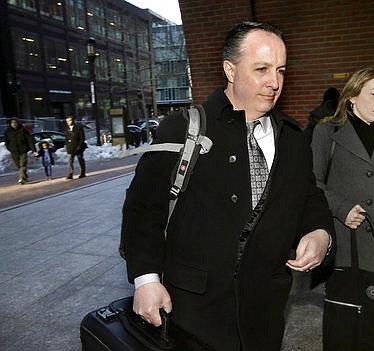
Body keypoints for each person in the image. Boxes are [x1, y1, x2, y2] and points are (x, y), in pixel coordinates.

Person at [121, 21, 335, 351]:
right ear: (230, 70)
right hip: (192, 315)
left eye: (280, 70)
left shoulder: (294, 141)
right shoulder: (183, 129)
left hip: (264, 313)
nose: (274, 82)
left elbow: (310, 197)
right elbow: (142, 210)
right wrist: (146, 280)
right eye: (261, 69)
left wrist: (320, 232)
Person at [311, 65, 374, 350]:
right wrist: (341, 208)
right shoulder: (327, 131)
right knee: (345, 316)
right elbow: (312, 183)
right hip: (343, 238)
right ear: (353, 96)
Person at [3, 118, 37, 184]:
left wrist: (34, 150)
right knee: (19, 165)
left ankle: (22, 179)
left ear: (18, 123)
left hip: (23, 150)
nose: (14, 124)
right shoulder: (7, 131)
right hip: (14, 151)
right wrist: (10, 148)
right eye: (12, 123)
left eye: (15, 123)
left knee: (22, 164)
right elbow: (6, 142)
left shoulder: (23, 130)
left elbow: (30, 140)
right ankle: (24, 176)